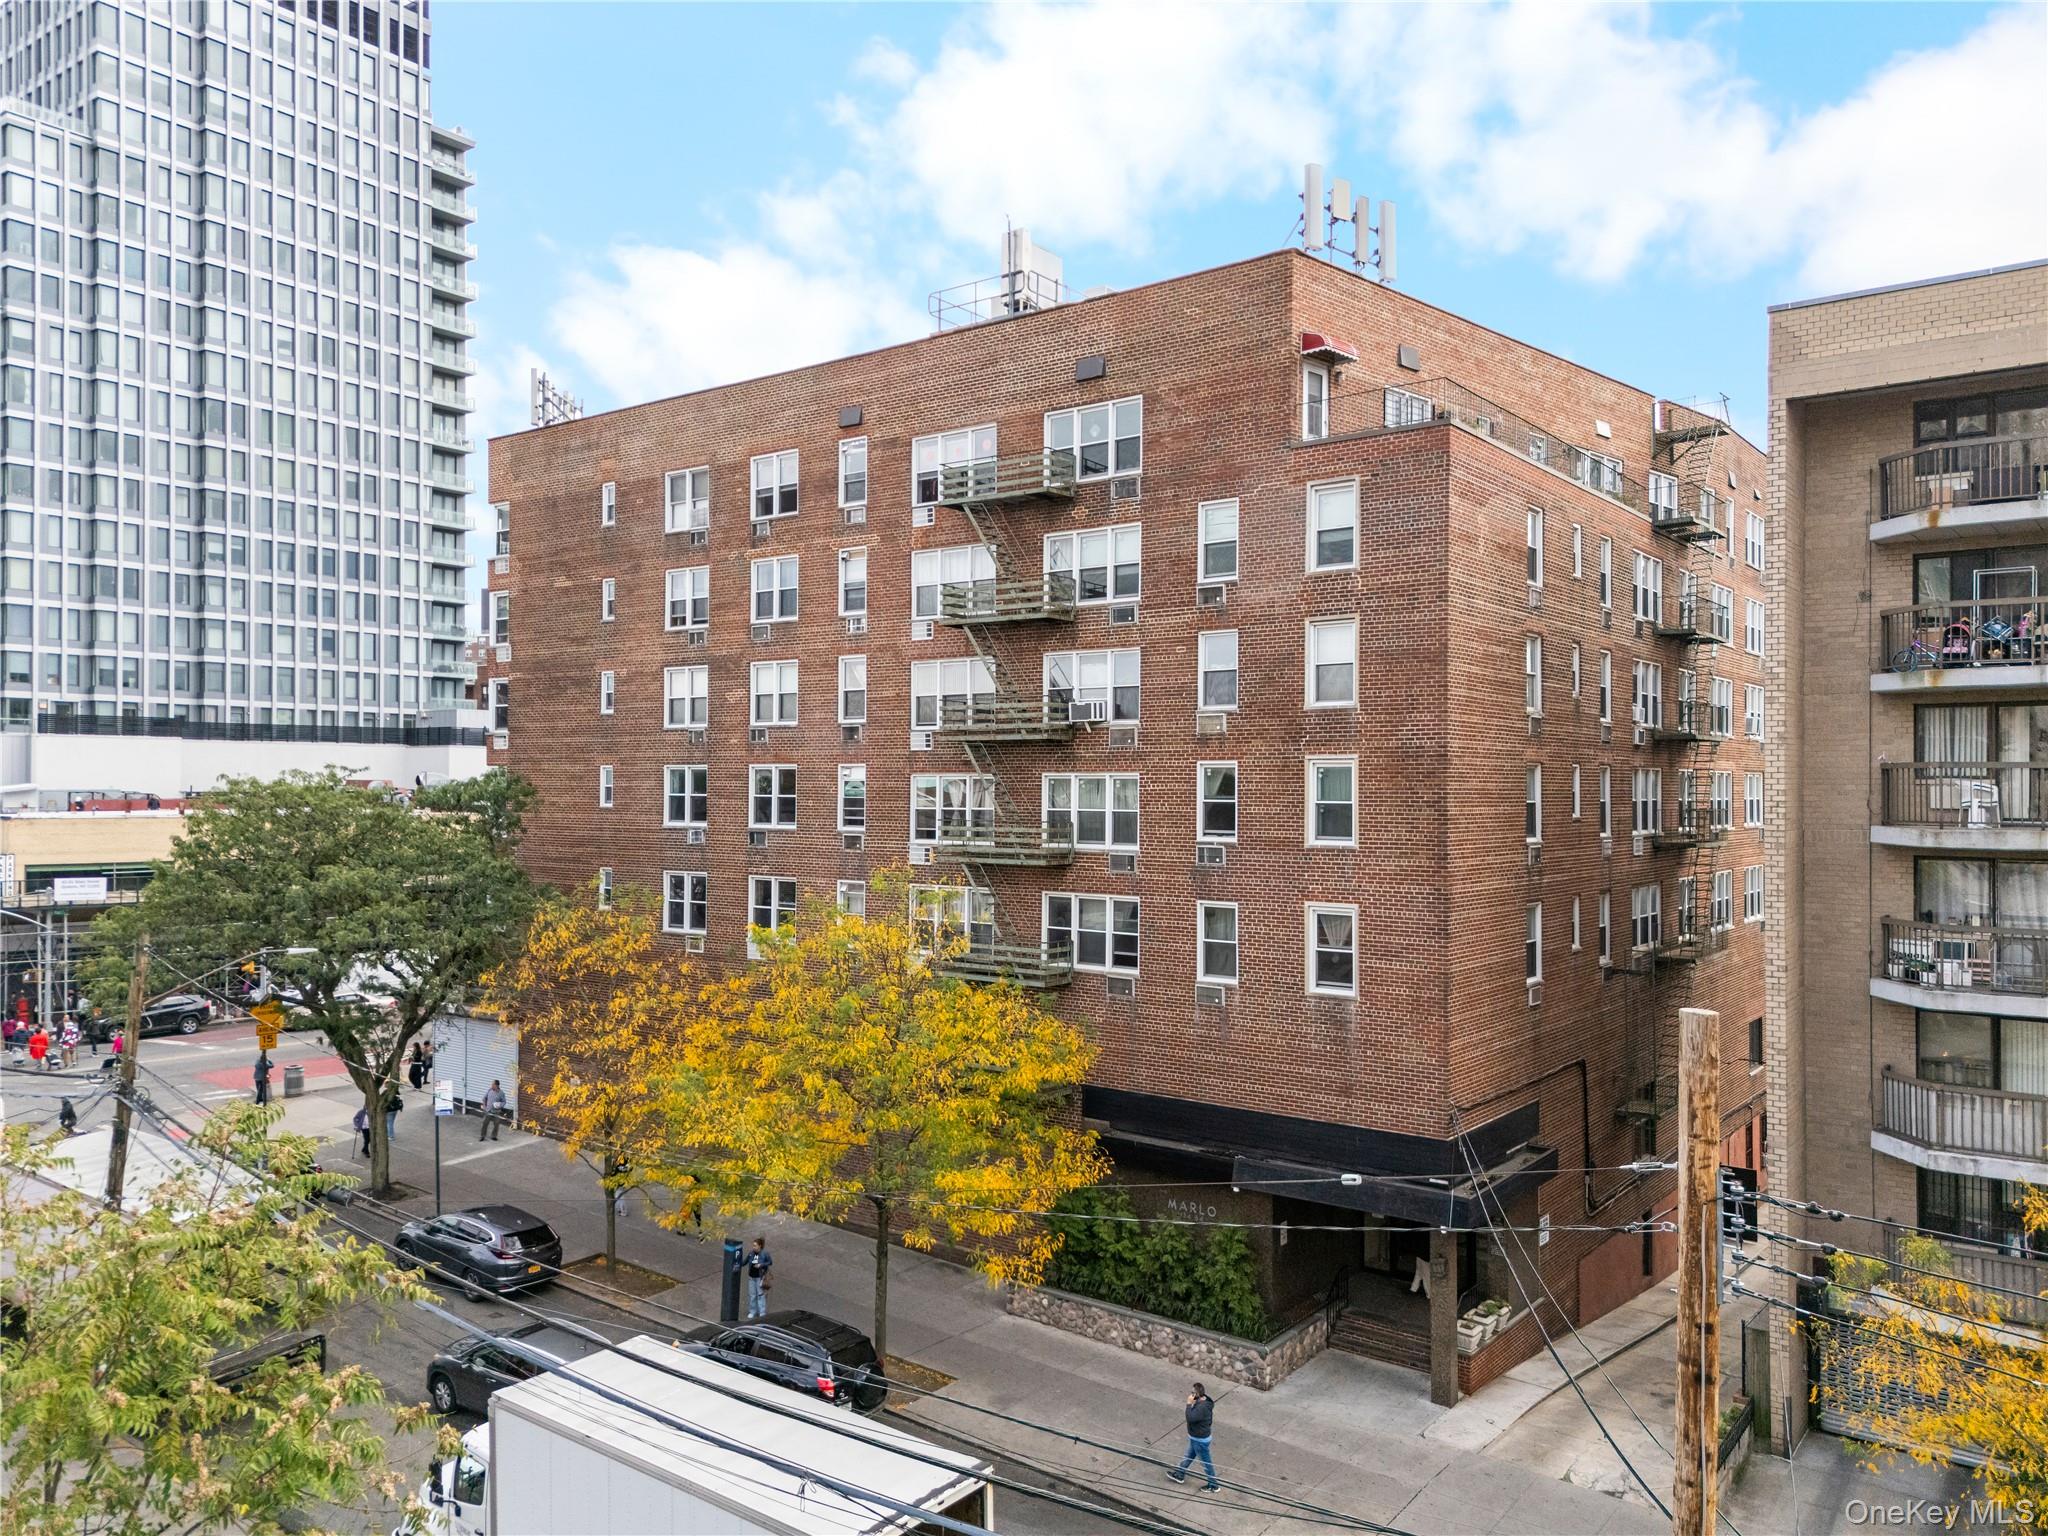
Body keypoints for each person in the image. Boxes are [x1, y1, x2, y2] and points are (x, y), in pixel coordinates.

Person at [1168, 1383, 1219, 1492]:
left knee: (1206, 1463)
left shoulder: (1202, 1408)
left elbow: (1190, 1418)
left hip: (1200, 1440)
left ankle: (1213, 1485)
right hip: (1196, 1437)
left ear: (1197, 1394)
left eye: (1192, 1393)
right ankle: (1179, 1474)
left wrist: (1188, 1404)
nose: (1190, 1395)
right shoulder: (1204, 1401)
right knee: (1188, 1456)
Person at [744, 1237, 773, 1319]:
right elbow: (745, 1261)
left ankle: (762, 1312)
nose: (753, 1247)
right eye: (753, 1245)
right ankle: (752, 1311)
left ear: (760, 1246)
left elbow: (770, 1262)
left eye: (755, 1245)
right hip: (751, 1277)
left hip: (759, 1277)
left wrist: (761, 1265)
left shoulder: (765, 1253)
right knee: (752, 1295)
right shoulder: (751, 1253)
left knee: (760, 1295)